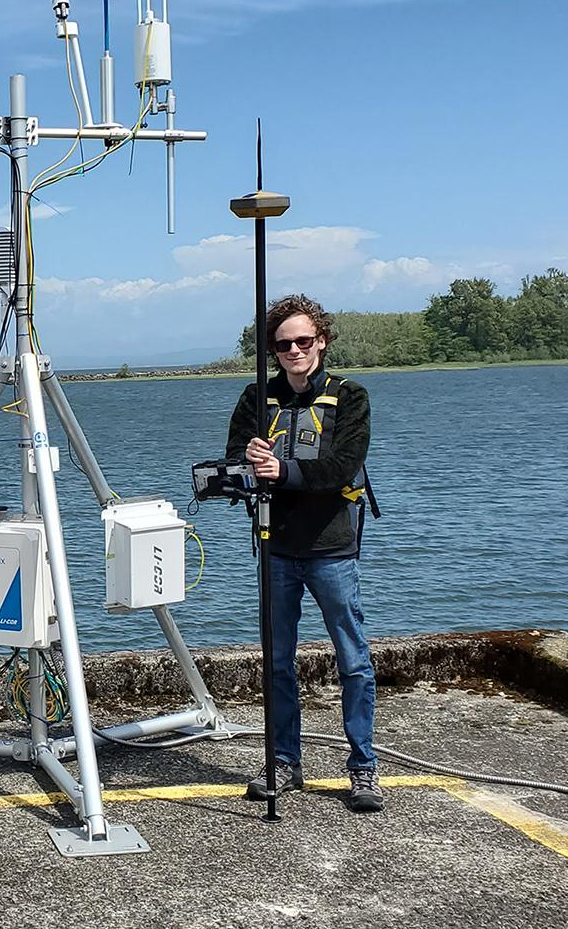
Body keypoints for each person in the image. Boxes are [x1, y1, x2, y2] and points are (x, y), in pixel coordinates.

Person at [226, 293, 383, 813]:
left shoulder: (350, 397)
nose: (294, 350)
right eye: (283, 344)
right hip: (276, 547)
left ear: (322, 341)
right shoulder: (257, 399)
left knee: (352, 658)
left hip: (331, 549)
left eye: (304, 341)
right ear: (272, 350)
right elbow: (231, 465)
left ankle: (363, 768)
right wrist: (247, 461)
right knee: (276, 661)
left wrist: (285, 472)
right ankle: (284, 761)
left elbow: (341, 467)